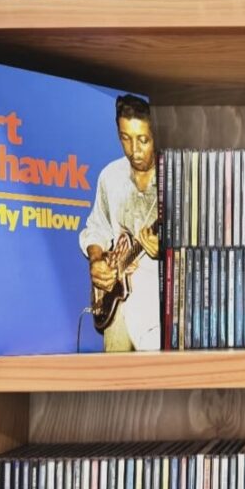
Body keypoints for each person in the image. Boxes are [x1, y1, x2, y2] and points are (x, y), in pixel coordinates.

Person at [79, 94, 161, 351]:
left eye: (143, 140)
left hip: (159, 308)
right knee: (116, 374)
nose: (134, 150)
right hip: (118, 305)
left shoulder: (176, 179)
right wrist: (96, 260)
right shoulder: (110, 176)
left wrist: (168, 250)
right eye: (125, 138)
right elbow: (97, 228)